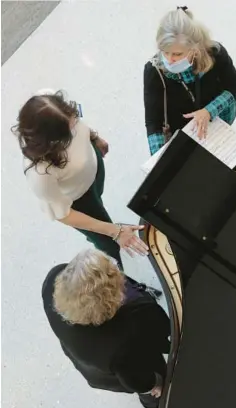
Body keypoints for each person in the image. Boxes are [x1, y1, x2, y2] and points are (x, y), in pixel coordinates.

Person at [13, 90, 149, 269]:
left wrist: (94, 137)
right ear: (53, 142)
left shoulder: (51, 103)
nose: (76, 126)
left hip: (91, 173)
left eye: (75, 118)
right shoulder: (40, 174)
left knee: (98, 199)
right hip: (79, 201)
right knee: (109, 244)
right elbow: (63, 214)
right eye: (70, 131)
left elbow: (78, 123)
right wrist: (115, 231)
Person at [42, 249, 171, 408]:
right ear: (109, 300)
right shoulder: (125, 339)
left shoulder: (52, 280)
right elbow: (136, 379)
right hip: (127, 366)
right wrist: (153, 385)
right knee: (156, 391)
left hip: (88, 362)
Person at [144, 6, 236, 154]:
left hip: (218, 120)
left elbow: (234, 87)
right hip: (183, 131)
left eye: (177, 54)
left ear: (194, 48)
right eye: (165, 52)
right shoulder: (154, 70)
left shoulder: (215, 53)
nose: (169, 60)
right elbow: (154, 122)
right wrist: (159, 159)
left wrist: (209, 111)